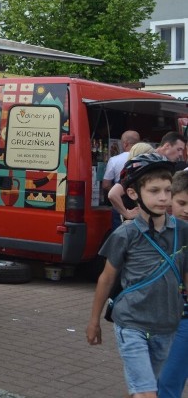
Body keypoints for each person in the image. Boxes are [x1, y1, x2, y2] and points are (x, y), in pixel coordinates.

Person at [86, 153, 188, 398]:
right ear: (133, 194)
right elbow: (106, 279)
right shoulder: (125, 234)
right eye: (154, 191)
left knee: (142, 388)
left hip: (166, 324)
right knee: (147, 393)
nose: (163, 198)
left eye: (167, 190)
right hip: (131, 323)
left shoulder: (183, 231)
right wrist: (94, 321)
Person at [158, 170, 188, 398]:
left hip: (184, 319)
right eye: (182, 203)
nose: (186, 210)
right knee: (158, 382)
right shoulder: (160, 231)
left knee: (168, 383)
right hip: (159, 318)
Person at [109, 132, 187, 220]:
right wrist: (127, 214)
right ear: (167, 146)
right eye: (179, 149)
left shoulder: (180, 229)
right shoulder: (141, 169)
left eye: (168, 190)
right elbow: (113, 194)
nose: (163, 198)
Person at [103, 131, 141, 228]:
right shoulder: (146, 159)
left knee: (119, 235)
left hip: (121, 205)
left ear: (125, 144)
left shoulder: (114, 160)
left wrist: (120, 192)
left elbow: (106, 185)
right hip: (140, 205)